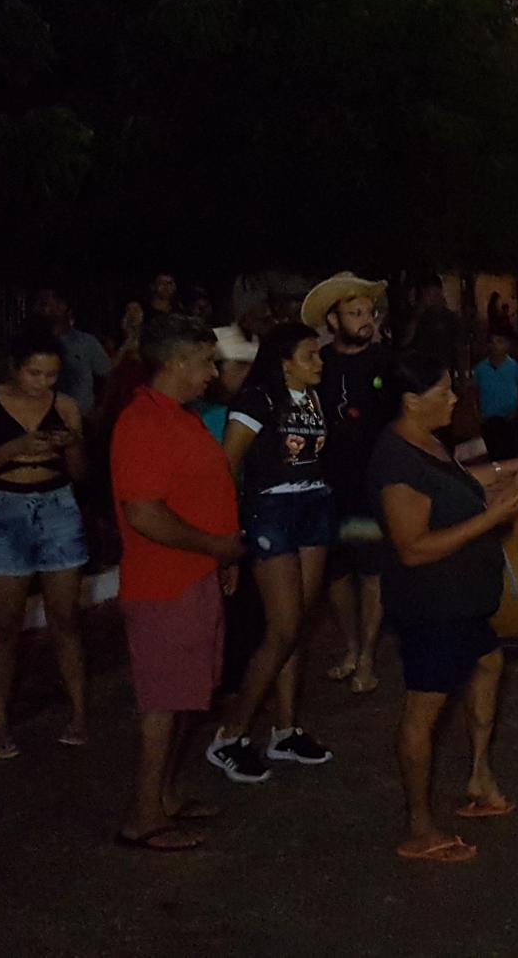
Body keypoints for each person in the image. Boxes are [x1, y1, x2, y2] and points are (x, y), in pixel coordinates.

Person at [371, 351, 518, 863]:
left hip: (463, 601)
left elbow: (463, 480)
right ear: (411, 401)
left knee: (488, 665)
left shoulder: (425, 441)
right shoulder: (396, 464)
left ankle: (478, 778)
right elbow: (413, 547)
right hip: (432, 605)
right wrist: (493, 518)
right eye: (444, 391)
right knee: (422, 713)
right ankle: (420, 829)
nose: (455, 398)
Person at [110, 315, 244, 851]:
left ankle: (162, 797)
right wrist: (216, 548)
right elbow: (144, 514)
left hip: (193, 576)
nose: (213, 372)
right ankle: (142, 816)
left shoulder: (180, 418)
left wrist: (220, 555)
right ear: (175, 362)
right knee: (163, 702)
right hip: (165, 582)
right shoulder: (143, 424)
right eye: (206, 361)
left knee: (189, 694)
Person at [0, 326, 91, 759]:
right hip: (4, 508)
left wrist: (70, 446)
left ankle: (80, 714)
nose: (43, 383)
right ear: (14, 369)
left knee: (65, 619)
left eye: (51, 375)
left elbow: (81, 472)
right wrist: (17, 446)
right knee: (5, 625)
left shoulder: (65, 406)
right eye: (35, 374)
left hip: (57, 505)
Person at [206, 323, 335, 782]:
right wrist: (230, 535)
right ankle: (230, 734)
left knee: (298, 624)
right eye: (309, 356)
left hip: (313, 503)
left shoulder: (312, 398)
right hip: (272, 510)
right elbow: (227, 466)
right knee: (281, 628)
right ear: (284, 362)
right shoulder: (257, 400)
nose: (319, 362)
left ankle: (285, 728)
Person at [301, 273, 397, 696]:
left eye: (368, 312)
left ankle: (368, 657)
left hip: (372, 484)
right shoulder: (316, 363)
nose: (365, 320)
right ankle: (351, 647)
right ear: (333, 320)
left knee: (373, 571)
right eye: (354, 313)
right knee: (336, 574)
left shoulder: (385, 363)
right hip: (327, 485)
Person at [33, 288, 112, 416]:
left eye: (45, 303)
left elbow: (107, 378)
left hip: (82, 417)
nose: (40, 309)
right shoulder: (33, 343)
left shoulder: (86, 342)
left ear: (62, 306)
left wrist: (99, 410)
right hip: (42, 416)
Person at [474, 328, 518, 462]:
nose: (494, 346)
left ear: (507, 345)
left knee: (512, 455)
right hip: (488, 420)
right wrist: (476, 414)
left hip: (510, 420)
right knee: (494, 455)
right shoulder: (481, 368)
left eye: (499, 342)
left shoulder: (516, 368)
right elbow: (475, 392)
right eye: (491, 342)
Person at [191, 326, 257, 444]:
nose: (248, 372)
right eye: (240, 365)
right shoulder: (195, 415)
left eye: (251, 366)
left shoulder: (253, 412)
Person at [406, 279, 464, 380]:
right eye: (428, 293)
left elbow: (459, 348)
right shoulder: (419, 317)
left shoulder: (450, 318)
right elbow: (406, 341)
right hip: (422, 373)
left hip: (444, 374)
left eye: (434, 293)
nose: (431, 297)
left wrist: (462, 376)